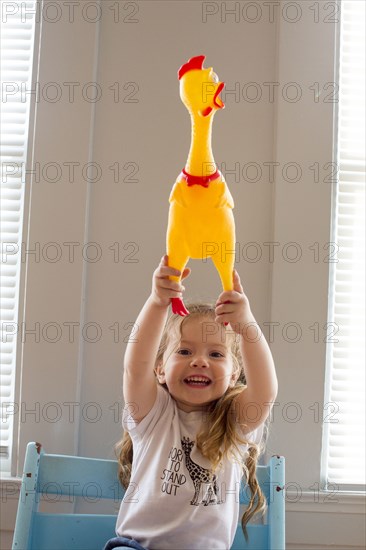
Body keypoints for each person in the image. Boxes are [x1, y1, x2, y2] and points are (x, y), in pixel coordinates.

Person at [103, 255, 278, 550]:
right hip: (138, 547)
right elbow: (135, 367)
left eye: (216, 354)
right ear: (160, 369)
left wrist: (246, 324)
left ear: (235, 373)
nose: (199, 361)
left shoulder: (235, 423)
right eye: (184, 352)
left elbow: (265, 391)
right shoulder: (153, 414)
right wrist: (158, 302)